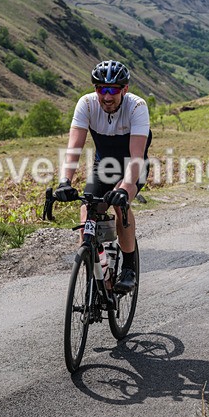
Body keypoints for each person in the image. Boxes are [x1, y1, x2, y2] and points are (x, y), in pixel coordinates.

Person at [54, 60, 152, 293]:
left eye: (113, 90)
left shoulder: (137, 107)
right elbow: (74, 148)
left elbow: (136, 157)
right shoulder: (87, 104)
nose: (107, 96)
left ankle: (128, 268)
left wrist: (123, 189)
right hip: (104, 165)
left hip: (132, 165)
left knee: (120, 205)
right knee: (88, 209)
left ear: (124, 90)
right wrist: (64, 181)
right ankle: (95, 265)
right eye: (101, 89)